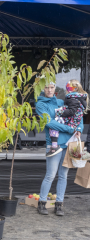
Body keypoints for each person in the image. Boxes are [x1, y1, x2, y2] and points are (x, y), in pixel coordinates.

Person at [36, 82, 83, 216]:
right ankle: (42, 203)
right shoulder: (41, 105)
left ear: (55, 88)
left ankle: (59, 205)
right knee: (50, 175)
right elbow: (49, 122)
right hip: (53, 145)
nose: (49, 90)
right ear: (42, 88)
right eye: (46, 87)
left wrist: (79, 128)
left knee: (63, 176)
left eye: (52, 87)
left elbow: (77, 113)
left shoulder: (62, 102)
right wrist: (69, 129)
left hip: (68, 143)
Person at [47, 79, 89, 157]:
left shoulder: (72, 98)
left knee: (54, 124)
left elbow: (71, 111)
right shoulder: (80, 98)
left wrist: (59, 113)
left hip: (71, 121)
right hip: (75, 120)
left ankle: (54, 145)